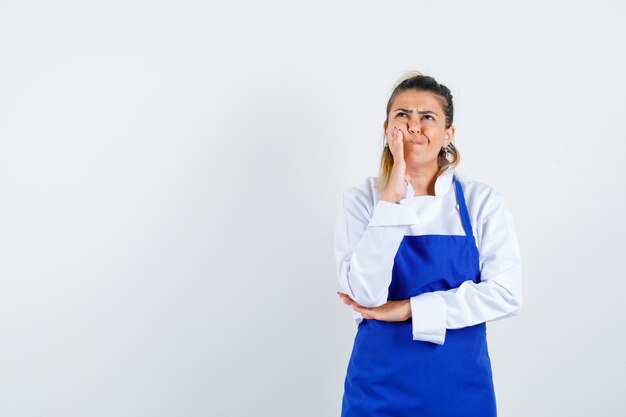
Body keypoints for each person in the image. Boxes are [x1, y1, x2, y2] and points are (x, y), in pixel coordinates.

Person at [333, 71, 523, 417]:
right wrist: (391, 197)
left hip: (461, 389)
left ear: (448, 134)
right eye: (402, 116)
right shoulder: (361, 201)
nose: (413, 126)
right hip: (378, 390)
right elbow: (366, 295)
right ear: (387, 129)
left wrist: (410, 309)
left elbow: (506, 293)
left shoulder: (481, 202)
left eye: (427, 117)